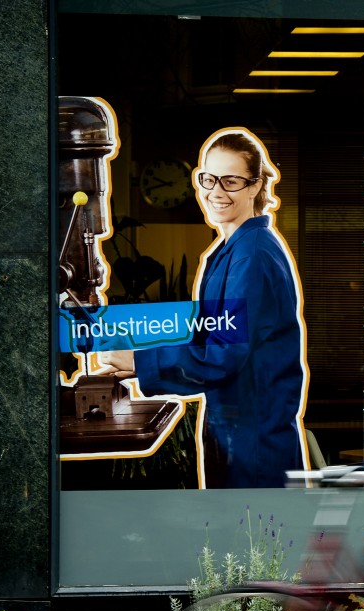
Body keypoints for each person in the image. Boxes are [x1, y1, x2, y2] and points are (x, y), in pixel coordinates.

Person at [96, 129, 307, 489]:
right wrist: (133, 363)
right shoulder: (229, 250)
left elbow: (223, 354)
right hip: (235, 435)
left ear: (255, 186)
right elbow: (208, 337)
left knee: (257, 542)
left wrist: (139, 361)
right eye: (208, 179)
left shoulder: (252, 256)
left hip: (254, 446)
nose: (215, 192)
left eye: (231, 181)